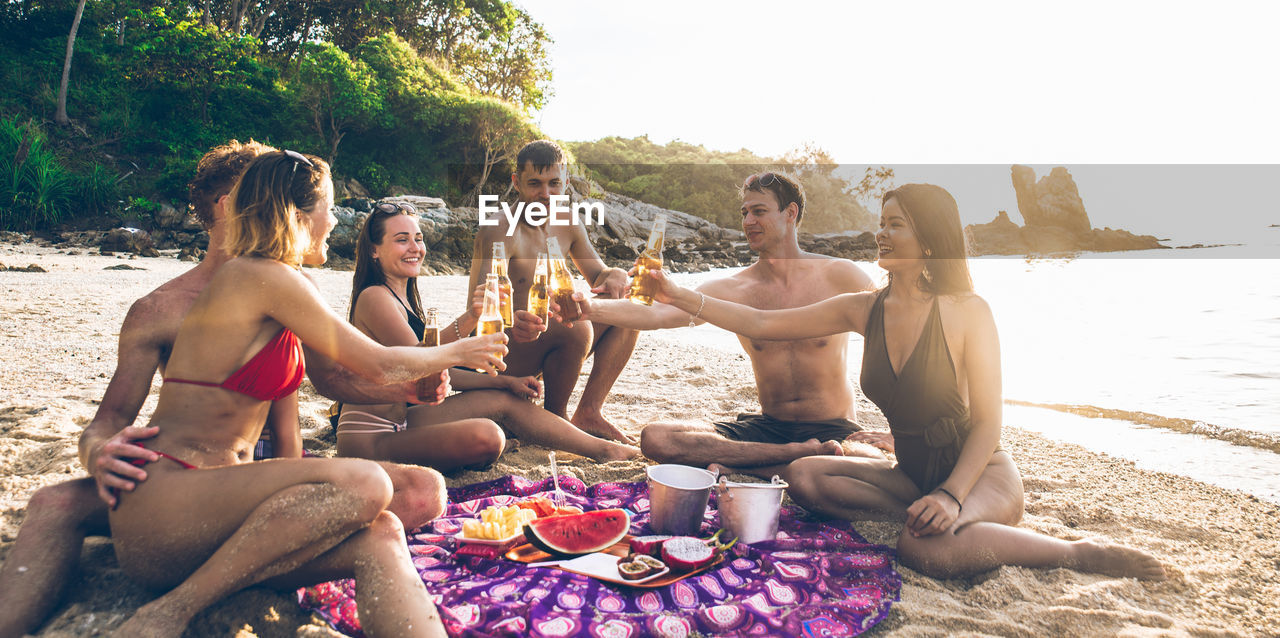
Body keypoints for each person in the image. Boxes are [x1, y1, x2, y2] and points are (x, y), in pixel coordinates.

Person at [0, 141, 453, 638]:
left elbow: (331, 382)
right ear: (230, 204)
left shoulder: (290, 284)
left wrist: (409, 392)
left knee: (408, 501)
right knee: (56, 501)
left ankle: (238, 564)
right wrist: (97, 453)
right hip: (177, 481)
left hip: (252, 477)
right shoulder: (162, 308)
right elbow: (110, 421)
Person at [642, 183, 1166, 580]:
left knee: (921, 551)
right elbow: (761, 324)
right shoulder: (864, 308)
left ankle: (1077, 553)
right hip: (909, 476)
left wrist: (953, 498)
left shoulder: (967, 312)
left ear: (930, 240)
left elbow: (988, 423)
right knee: (804, 477)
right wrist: (675, 293)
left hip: (979, 475)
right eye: (883, 222)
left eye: (896, 225)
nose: (882, 233)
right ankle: (930, 516)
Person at [564, 171, 888, 479]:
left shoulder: (844, 276)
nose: (748, 222)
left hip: (834, 428)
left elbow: (900, 341)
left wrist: (895, 433)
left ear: (791, 212)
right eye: (744, 212)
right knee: (657, 438)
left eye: (759, 211)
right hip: (766, 429)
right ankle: (792, 456)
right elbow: (655, 315)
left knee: (870, 460)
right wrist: (589, 308)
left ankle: (756, 465)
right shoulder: (733, 289)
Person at [336, 202, 639, 465]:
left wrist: (507, 381)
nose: (415, 248)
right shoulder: (375, 297)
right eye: (402, 240)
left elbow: (443, 371)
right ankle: (597, 448)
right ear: (375, 251)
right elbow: (420, 361)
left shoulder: (401, 297)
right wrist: (471, 316)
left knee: (503, 401)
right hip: (376, 433)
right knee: (489, 438)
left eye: (418, 238)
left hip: (406, 416)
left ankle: (604, 450)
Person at [464, 139, 639, 443]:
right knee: (568, 320)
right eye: (535, 184)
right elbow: (481, 307)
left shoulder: (568, 222)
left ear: (566, 182)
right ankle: (555, 417)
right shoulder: (500, 227)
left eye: (554, 184)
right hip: (505, 350)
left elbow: (599, 275)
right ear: (516, 182)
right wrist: (511, 320)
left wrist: (618, 275)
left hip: (551, 338)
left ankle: (589, 412)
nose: (546, 194)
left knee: (627, 305)